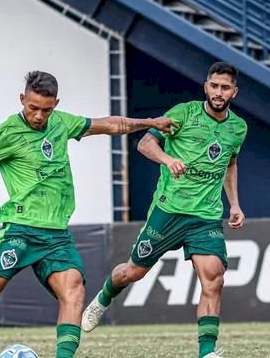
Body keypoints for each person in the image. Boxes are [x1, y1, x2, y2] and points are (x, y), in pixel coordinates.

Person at [0, 71, 176, 358]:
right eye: (32, 108)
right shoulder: (5, 134)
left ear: (56, 104)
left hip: (57, 234)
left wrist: (150, 122)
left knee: (73, 293)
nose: (39, 116)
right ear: (22, 99)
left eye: (46, 110)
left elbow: (109, 125)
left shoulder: (61, 123)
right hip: (22, 229)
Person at [81, 62, 248, 358]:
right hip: (168, 211)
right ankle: (104, 296)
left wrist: (234, 203)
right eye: (214, 85)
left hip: (205, 216)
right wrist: (167, 160)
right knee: (132, 273)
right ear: (205, 86)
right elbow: (145, 144)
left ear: (234, 92)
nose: (219, 92)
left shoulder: (238, 128)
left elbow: (229, 164)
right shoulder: (183, 113)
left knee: (214, 277)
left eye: (225, 87)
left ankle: (207, 352)